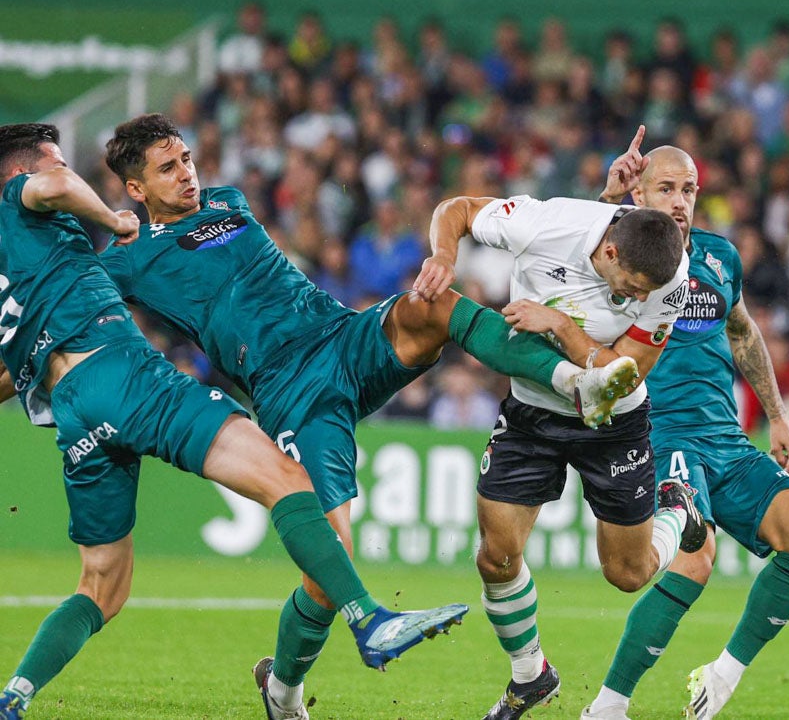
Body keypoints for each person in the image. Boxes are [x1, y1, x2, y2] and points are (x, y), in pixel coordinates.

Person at [97, 113, 640, 720]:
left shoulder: (228, 199)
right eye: (167, 169)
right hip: (290, 390)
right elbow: (54, 322)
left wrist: (605, 205)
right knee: (330, 568)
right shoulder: (125, 260)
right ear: (136, 189)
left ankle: (577, 382)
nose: (187, 175)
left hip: (343, 337)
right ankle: (282, 691)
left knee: (431, 305)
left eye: (188, 160)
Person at [0, 123, 467, 720]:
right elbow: (58, 181)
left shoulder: (21, 267)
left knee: (101, 587)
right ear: (22, 175)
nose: (62, 170)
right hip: (125, 377)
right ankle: (370, 620)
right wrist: (115, 221)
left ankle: (15, 694)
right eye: (51, 161)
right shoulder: (36, 204)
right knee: (289, 482)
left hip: (72, 415)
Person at [414, 186, 707, 720]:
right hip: (532, 414)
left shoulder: (670, 275)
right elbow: (453, 210)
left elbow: (624, 373)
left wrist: (561, 326)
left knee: (627, 574)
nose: (641, 300)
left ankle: (678, 510)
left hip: (614, 425)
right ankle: (531, 676)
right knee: (495, 557)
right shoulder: (547, 224)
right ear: (611, 253)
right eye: (633, 289)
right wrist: (443, 256)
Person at [578, 131, 789, 720]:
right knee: (696, 553)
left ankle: (722, 673)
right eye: (665, 188)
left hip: (727, 440)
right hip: (659, 434)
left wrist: (779, 415)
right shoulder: (613, 253)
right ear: (638, 194)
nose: (680, 201)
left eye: (688, 189)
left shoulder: (720, 257)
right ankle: (609, 705)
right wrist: (604, 197)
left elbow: (742, 333)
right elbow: (567, 266)